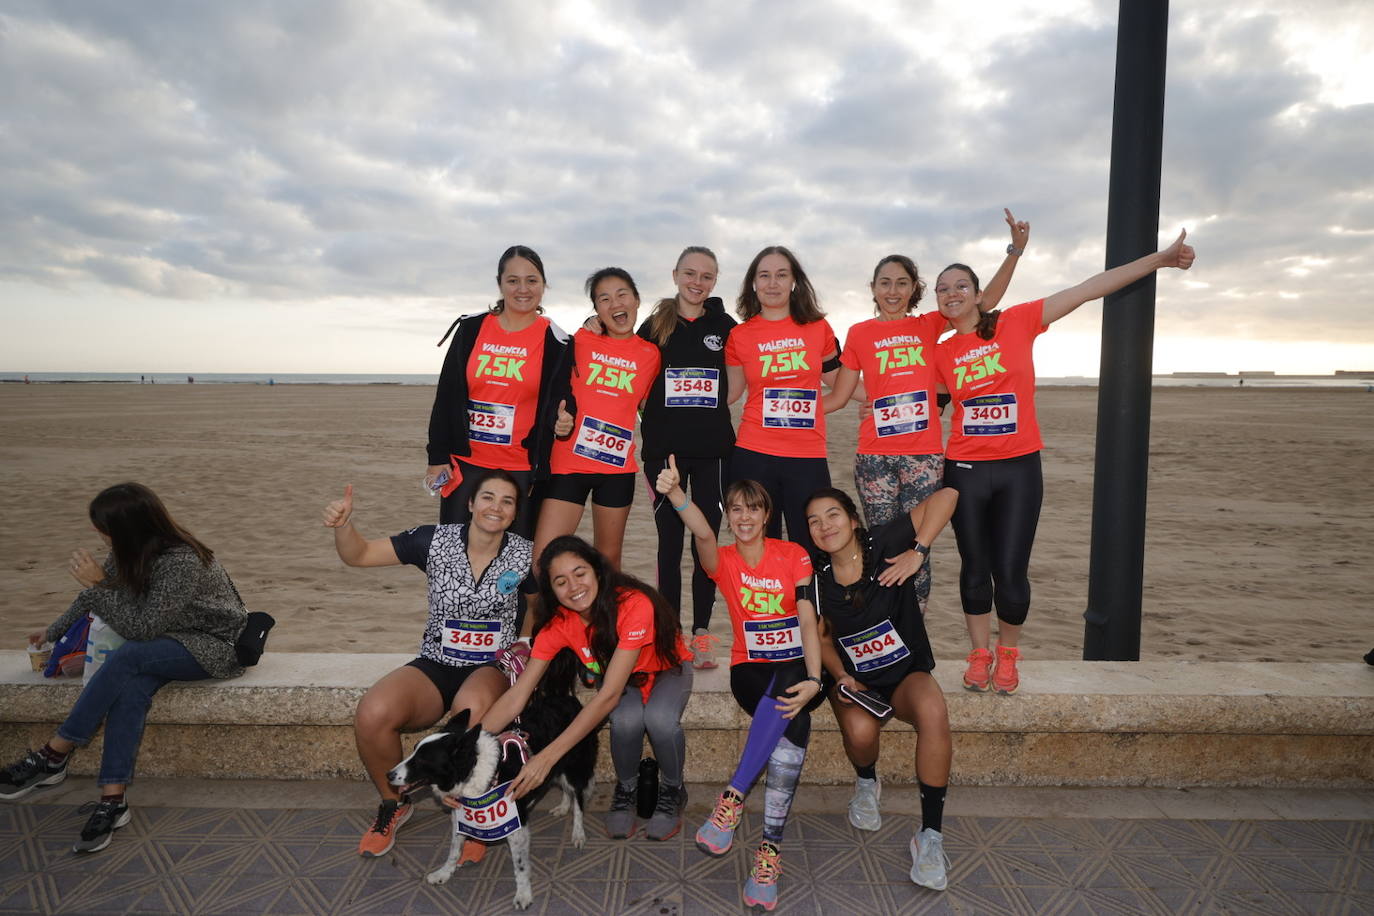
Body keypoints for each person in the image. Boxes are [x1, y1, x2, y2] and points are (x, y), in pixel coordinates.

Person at [934, 230, 1196, 694]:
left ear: (978, 295)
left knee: (1011, 572)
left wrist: (1159, 259)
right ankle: (979, 654)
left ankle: (1008, 655)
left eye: (960, 286)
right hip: (965, 469)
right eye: (943, 289)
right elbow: (920, 403)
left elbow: (1089, 287)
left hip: (1018, 468)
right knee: (974, 568)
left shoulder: (1018, 320)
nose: (952, 294)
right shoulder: (940, 353)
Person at [1, 483, 248, 854]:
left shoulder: (181, 560)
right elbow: (95, 598)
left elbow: (141, 627)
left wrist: (100, 583)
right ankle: (113, 800)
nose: (99, 536)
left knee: (131, 654)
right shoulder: (128, 551)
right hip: (162, 646)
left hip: (211, 646)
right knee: (130, 686)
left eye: (104, 528)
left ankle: (54, 753)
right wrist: (52, 631)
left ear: (128, 528)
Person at [322, 469, 535, 860]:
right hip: (436, 663)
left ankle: (479, 814)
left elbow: (539, 607)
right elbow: (360, 554)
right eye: (487, 497)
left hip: (489, 667)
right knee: (373, 712)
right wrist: (344, 525)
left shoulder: (526, 554)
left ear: (515, 512)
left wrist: (523, 644)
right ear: (470, 504)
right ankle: (394, 804)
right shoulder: (432, 541)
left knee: (468, 716)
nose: (496, 507)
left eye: (507, 501)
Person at [656, 463, 823, 912]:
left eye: (753, 509)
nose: (744, 517)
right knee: (795, 718)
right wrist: (675, 495)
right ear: (728, 515)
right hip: (750, 670)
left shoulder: (793, 555)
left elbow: (807, 617)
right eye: (735, 510)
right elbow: (703, 536)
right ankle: (767, 849)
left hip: (796, 669)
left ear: (767, 513)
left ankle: (743, 814)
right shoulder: (724, 561)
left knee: (795, 713)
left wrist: (815, 678)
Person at [481, 536, 691, 841]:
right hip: (625, 677)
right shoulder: (557, 626)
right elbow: (516, 697)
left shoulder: (634, 604)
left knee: (659, 719)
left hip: (667, 669)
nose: (574, 587)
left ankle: (673, 789)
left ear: (597, 571)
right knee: (626, 720)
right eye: (560, 581)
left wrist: (547, 757)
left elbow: (607, 697)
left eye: (580, 574)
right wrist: (465, 743)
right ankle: (626, 788)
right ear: (551, 590)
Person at [805, 486, 958, 890]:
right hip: (858, 683)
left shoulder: (883, 542)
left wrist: (918, 551)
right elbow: (821, 640)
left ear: (853, 520)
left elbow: (948, 495)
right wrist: (842, 677)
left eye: (833, 515)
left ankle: (929, 836)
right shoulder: (816, 581)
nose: (825, 526)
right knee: (860, 733)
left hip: (907, 675)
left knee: (933, 709)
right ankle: (868, 782)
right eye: (814, 521)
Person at [427, 245, 573, 537]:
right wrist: (436, 457)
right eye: (513, 280)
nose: (523, 289)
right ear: (499, 283)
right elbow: (446, 397)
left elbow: (564, 404)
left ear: (543, 285)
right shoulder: (471, 328)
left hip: (520, 469)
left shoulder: (557, 341)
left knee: (511, 569)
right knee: (455, 556)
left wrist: (564, 423)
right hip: (464, 464)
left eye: (532, 280)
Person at [637, 246, 737, 669]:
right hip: (664, 455)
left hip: (713, 452)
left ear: (715, 281)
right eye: (691, 273)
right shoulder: (654, 325)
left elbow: (734, 386)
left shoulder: (725, 326)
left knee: (706, 542)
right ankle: (671, 633)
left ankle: (700, 633)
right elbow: (636, 386)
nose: (698, 282)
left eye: (707, 276)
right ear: (675, 274)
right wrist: (661, 421)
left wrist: (707, 412)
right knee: (669, 545)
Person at [533, 268, 661, 571]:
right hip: (568, 465)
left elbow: (648, 408)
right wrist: (557, 418)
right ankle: (539, 620)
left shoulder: (651, 355)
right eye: (604, 299)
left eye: (622, 295)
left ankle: (603, 619)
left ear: (637, 300)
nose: (615, 303)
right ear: (597, 310)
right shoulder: (580, 340)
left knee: (608, 562)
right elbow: (553, 392)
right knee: (542, 562)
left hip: (616, 470)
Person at [724, 246, 841, 555]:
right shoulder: (740, 335)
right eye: (764, 275)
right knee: (760, 548)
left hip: (807, 455)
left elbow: (838, 381)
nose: (772, 283)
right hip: (753, 454)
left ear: (794, 282)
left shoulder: (818, 328)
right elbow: (731, 392)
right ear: (753, 282)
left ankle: (809, 606)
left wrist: (883, 397)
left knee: (814, 546)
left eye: (781, 275)